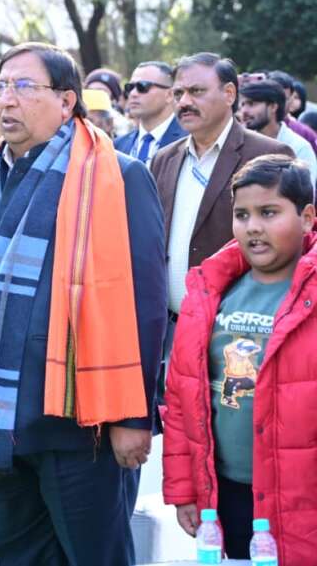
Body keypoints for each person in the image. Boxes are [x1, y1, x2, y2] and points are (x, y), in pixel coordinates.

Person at [0, 42, 167, 566]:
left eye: (24, 87)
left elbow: (145, 307)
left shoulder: (117, 176)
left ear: (67, 100)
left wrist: (134, 416)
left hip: (81, 421)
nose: (5, 99)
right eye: (0, 87)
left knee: (96, 557)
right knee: (17, 557)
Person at [163, 155, 317, 564]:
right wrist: (184, 490)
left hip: (303, 499)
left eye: (269, 213)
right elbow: (181, 399)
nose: (253, 227)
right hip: (227, 493)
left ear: (307, 218)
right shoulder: (209, 293)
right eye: (242, 215)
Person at [151, 53, 294, 374]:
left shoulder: (268, 154)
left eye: (196, 91)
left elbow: (289, 247)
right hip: (171, 330)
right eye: (178, 93)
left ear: (229, 94)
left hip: (239, 334)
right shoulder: (164, 159)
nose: (184, 102)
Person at [239, 80, 317, 187]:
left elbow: (306, 192)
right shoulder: (239, 143)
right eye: (243, 104)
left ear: (273, 107)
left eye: (251, 104)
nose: (244, 111)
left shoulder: (299, 147)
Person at [115, 60, 186, 165]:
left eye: (142, 87)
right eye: (130, 87)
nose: (133, 93)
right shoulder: (118, 145)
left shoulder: (188, 141)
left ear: (170, 95)